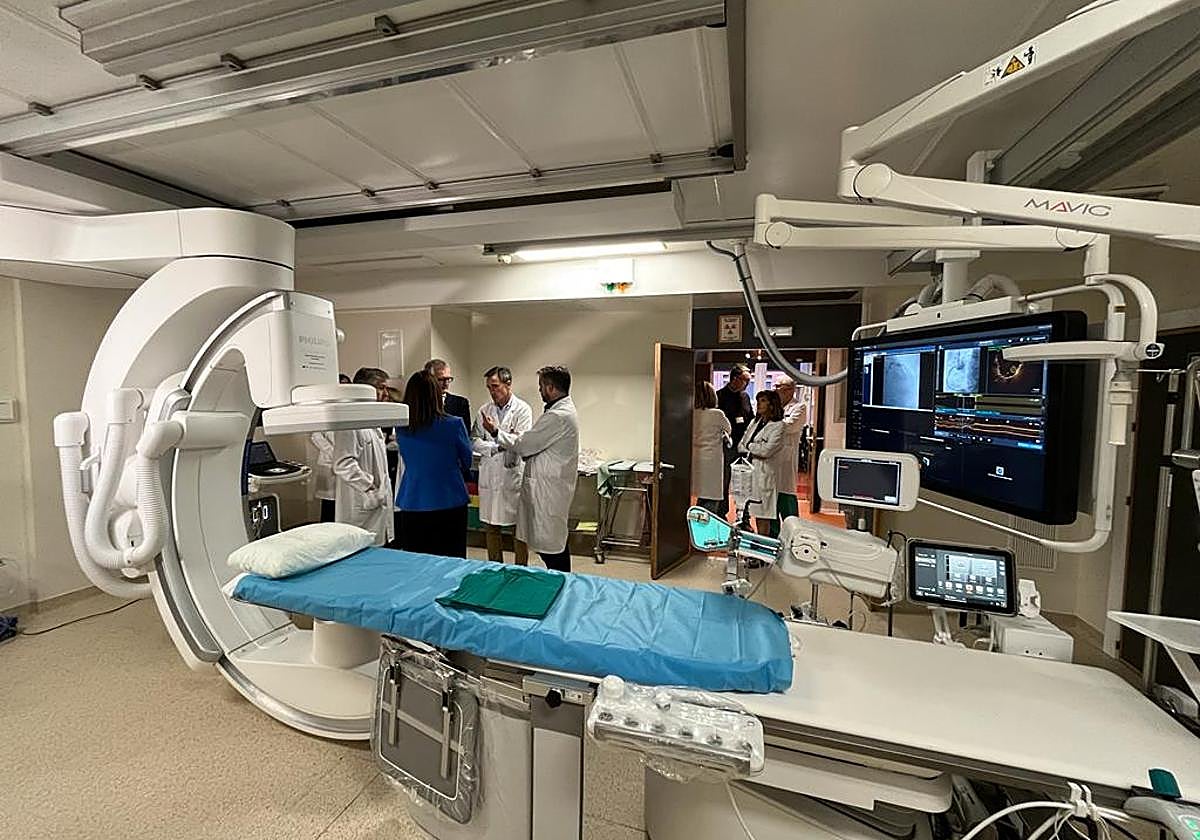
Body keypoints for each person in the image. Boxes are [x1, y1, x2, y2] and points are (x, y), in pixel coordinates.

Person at [484, 365, 579, 572]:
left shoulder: (557, 415)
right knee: (550, 541)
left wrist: (496, 432)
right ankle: (560, 577)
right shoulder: (559, 411)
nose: (539, 390)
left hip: (548, 489)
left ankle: (562, 580)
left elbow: (525, 444)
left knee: (550, 546)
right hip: (543, 484)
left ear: (551, 387)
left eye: (541, 386)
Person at [394, 370, 473, 558]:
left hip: (413, 500)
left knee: (417, 559)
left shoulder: (402, 428)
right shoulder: (453, 424)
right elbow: (467, 460)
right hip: (449, 498)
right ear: (437, 395)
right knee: (451, 559)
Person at [472, 366, 533, 565]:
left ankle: (521, 569)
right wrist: (496, 446)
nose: (492, 391)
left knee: (519, 529)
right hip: (491, 475)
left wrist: (496, 433)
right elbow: (474, 441)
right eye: (489, 387)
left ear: (508, 384)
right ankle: (494, 567)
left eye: (495, 386)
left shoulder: (523, 410)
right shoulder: (484, 410)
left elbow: (521, 442)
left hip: (512, 476)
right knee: (491, 527)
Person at [332, 367, 394, 546]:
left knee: (379, 547)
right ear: (365, 390)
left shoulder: (371, 421)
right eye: (381, 388)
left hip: (376, 501)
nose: (386, 394)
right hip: (362, 503)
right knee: (359, 548)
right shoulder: (351, 423)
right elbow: (342, 463)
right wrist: (369, 486)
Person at [738, 389, 786, 538]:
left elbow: (766, 451)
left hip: (764, 474)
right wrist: (754, 446)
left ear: (772, 405)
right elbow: (741, 445)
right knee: (747, 512)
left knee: (763, 515)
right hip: (749, 472)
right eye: (758, 401)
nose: (759, 404)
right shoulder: (755, 422)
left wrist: (750, 446)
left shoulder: (779, 426)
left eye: (763, 401)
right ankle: (754, 544)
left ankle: (763, 546)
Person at [310, 373, 351, 522]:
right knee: (329, 506)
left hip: (347, 463)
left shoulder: (350, 411)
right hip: (329, 463)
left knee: (345, 504)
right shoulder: (324, 409)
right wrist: (333, 453)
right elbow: (316, 435)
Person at [716, 364, 754, 516]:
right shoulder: (719, 396)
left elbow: (750, 418)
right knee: (724, 480)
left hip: (744, 444)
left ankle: (744, 516)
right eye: (745, 380)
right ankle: (721, 513)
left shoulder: (745, 397)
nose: (747, 384)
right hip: (726, 445)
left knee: (745, 482)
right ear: (735, 379)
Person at [692, 381, 732, 515]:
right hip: (712, 460)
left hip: (695, 458)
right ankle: (705, 524)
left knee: (699, 492)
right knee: (711, 496)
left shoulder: (692, 414)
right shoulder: (717, 414)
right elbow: (728, 429)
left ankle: (696, 520)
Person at [773, 376, 808, 522]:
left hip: (787, 459)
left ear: (790, 390)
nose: (775, 390)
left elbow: (789, 426)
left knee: (787, 498)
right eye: (775, 386)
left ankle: (792, 531)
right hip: (771, 458)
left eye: (778, 387)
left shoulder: (799, 407)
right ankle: (773, 533)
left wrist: (771, 425)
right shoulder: (773, 407)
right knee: (771, 505)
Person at [424, 359, 471, 432]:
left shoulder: (461, 403)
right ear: (429, 380)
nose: (446, 384)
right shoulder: (418, 404)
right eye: (441, 379)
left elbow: (465, 433)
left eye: (448, 379)